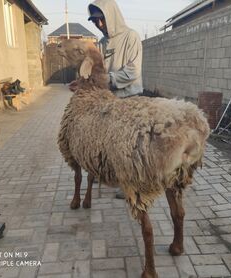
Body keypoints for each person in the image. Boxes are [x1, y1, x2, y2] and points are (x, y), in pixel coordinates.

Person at [88, 0, 144, 198]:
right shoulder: (102, 43)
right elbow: (97, 68)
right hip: (109, 98)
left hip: (129, 97)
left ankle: (130, 183)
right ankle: (108, 174)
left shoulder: (131, 37)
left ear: (110, 16)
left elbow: (133, 70)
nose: (99, 25)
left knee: (128, 143)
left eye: (101, 20)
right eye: (95, 21)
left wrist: (109, 78)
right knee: (108, 140)